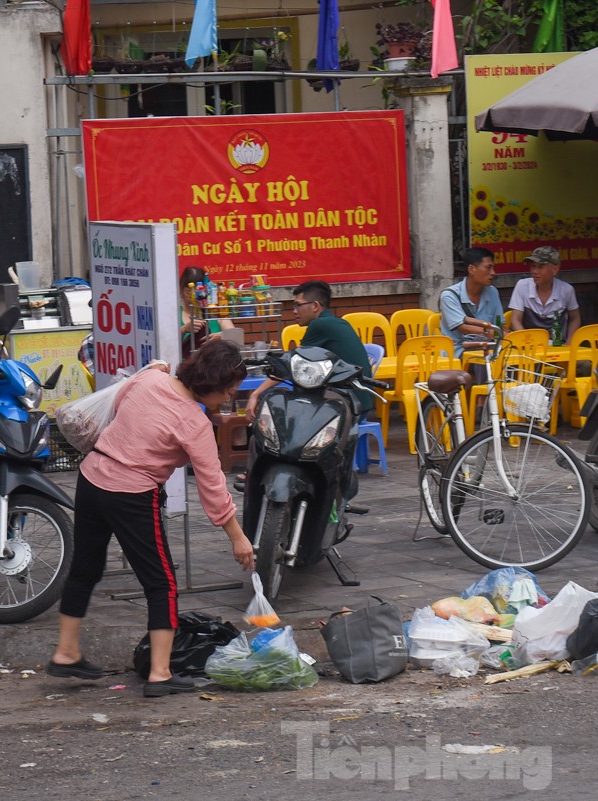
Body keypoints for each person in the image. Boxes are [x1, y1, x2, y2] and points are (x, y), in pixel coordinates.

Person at [49, 339, 254, 698]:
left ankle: (66, 653)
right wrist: (237, 536)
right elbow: (213, 488)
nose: (227, 399)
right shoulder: (194, 422)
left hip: (93, 476)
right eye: (228, 392)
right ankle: (160, 674)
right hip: (131, 494)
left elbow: (114, 408)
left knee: (85, 568)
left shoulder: (149, 380)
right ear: (214, 384)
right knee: (161, 583)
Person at [245, 280, 372, 418]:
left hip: (349, 408)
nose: (294, 311)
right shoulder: (337, 322)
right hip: (361, 404)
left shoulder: (319, 325)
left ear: (315, 306)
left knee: (271, 398)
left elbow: (291, 365)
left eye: (298, 305)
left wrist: (255, 394)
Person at [508, 245, 581, 345]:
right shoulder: (522, 286)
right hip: (529, 346)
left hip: (557, 346)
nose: (534, 271)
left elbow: (575, 318)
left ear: (555, 269)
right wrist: (527, 342)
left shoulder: (566, 290)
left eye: (540, 267)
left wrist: (570, 342)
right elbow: (515, 320)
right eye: (533, 266)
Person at [440, 247, 505, 358]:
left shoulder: (492, 292)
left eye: (493, 268)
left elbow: (499, 324)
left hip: (488, 345)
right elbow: (463, 327)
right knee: (484, 354)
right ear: (471, 269)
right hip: (458, 350)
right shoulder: (449, 296)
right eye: (488, 268)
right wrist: (492, 333)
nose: (493, 273)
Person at [179, 266, 234, 359]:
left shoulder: (216, 311)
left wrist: (224, 337)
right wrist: (184, 329)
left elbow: (236, 337)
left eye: (199, 292)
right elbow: (166, 342)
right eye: (188, 292)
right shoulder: (174, 314)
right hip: (186, 368)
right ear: (181, 291)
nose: (193, 297)